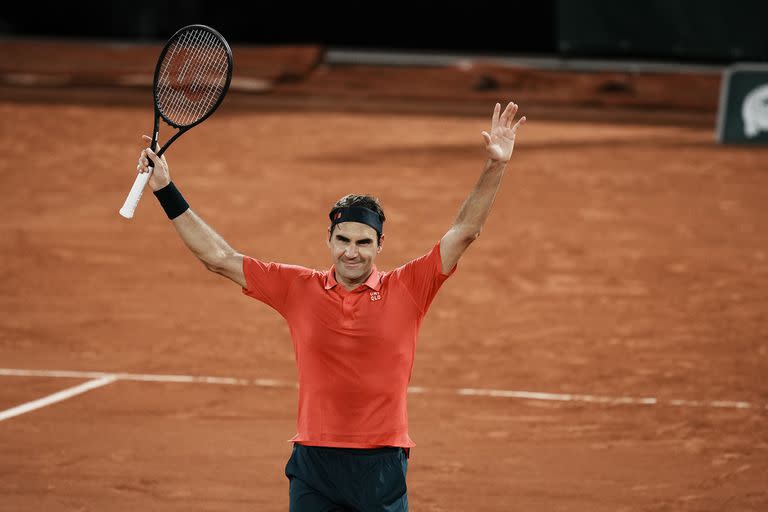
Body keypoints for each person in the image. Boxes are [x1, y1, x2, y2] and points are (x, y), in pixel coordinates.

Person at [135, 101, 526, 512]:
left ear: (379, 246)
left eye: (363, 242)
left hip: (380, 463)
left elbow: (465, 231)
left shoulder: (408, 288)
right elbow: (218, 257)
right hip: (314, 463)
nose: (351, 253)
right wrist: (164, 189)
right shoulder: (298, 288)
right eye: (343, 240)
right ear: (329, 240)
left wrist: (495, 165)